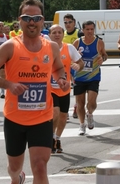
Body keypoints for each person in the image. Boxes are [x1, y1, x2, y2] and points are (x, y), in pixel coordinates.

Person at [0, 0, 70, 184]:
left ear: (42, 20)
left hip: (42, 117)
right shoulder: (10, 46)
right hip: (15, 118)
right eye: (27, 17)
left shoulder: (51, 47)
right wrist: (9, 85)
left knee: (39, 166)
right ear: (19, 20)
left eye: (36, 17)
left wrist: (61, 79)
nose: (32, 21)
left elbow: (58, 68)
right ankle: (18, 178)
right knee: (14, 168)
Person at [49, 24, 84, 153]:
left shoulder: (68, 48)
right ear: (50, 35)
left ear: (63, 34)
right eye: (54, 32)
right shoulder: (45, 49)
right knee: (55, 113)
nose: (57, 35)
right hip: (50, 89)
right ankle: (51, 137)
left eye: (59, 32)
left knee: (63, 117)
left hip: (64, 88)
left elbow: (81, 62)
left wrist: (77, 66)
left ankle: (57, 138)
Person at [72, 20, 107, 135]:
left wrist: (102, 58)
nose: (90, 31)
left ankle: (90, 113)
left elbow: (104, 54)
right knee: (80, 103)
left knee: (92, 102)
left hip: (93, 76)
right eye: (87, 29)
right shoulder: (77, 43)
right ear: (83, 30)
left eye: (92, 29)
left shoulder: (99, 42)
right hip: (80, 77)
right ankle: (82, 125)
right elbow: (70, 58)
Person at [62, 13, 84, 119]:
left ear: (74, 22)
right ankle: (64, 112)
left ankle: (76, 106)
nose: (68, 24)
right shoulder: (63, 34)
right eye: (65, 22)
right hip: (65, 66)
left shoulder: (79, 33)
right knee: (65, 88)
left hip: (76, 65)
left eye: (70, 22)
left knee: (75, 87)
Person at [0, 21, 9, 98]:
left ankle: (2, 91)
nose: (1, 27)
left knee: (3, 74)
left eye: (2, 26)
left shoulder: (6, 36)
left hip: (4, 58)